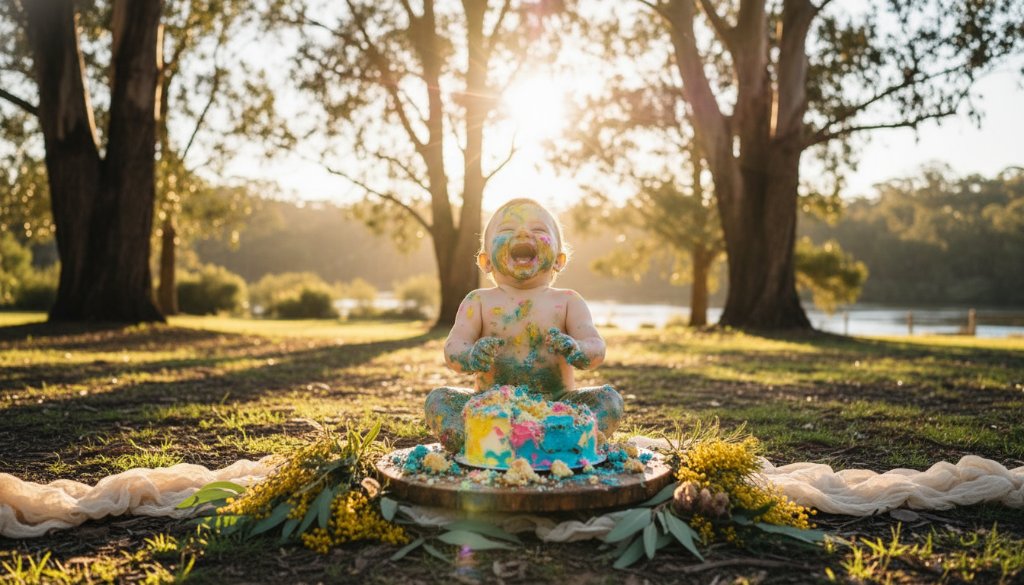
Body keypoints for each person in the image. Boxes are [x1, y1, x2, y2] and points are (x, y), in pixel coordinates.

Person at [424, 198, 624, 452]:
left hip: (557, 407)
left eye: (539, 230)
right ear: (485, 261)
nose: (522, 232)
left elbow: (596, 346)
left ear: (559, 260)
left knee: (609, 399)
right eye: (507, 230)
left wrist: (578, 349)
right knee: (439, 400)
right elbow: (454, 347)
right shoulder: (479, 301)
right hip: (490, 409)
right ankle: (478, 439)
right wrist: (471, 355)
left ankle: (551, 440)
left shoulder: (567, 301)